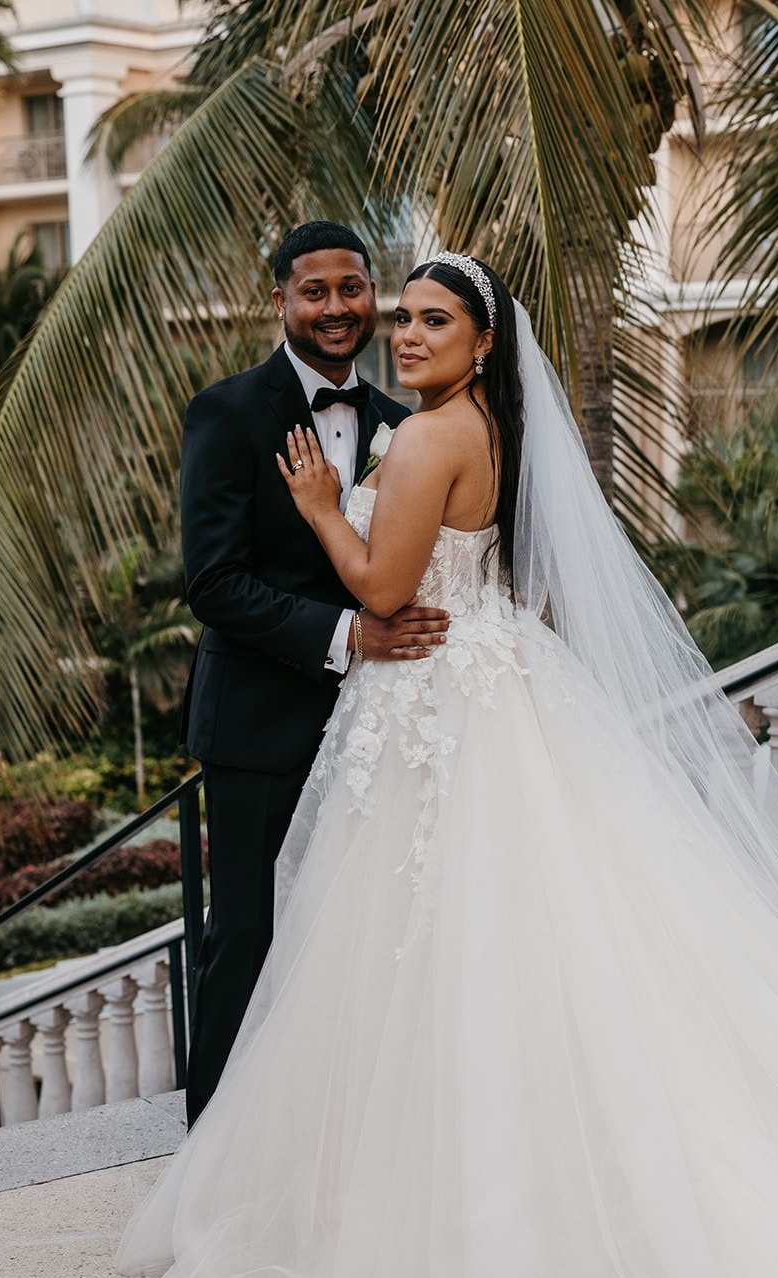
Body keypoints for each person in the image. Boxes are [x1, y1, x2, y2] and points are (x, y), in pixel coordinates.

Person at [120, 253, 778, 1278]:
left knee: (421, 946)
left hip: (435, 702)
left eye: (432, 320)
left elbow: (384, 589)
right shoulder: (489, 427)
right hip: (491, 683)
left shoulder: (422, 434)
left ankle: (417, 1188)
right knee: (509, 937)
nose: (403, 333)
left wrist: (322, 510)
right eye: (403, 317)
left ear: (482, 341)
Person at [179, 221, 449, 1124]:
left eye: (351, 288)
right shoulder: (227, 413)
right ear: (281, 302)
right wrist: (348, 635)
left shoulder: (403, 426)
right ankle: (211, 1145)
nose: (336, 307)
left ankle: (325, 1134)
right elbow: (213, 582)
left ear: (372, 294)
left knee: (355, 935)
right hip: (256, 727)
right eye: (315, 291)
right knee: (246, 936)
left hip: (374, 728)